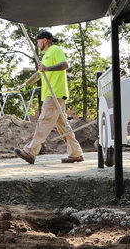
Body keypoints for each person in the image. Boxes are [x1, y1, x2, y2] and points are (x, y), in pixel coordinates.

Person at [15, 31, 84, 164]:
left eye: (38, 41)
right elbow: (40, 73)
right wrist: (26, 84)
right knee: (64, 127)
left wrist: (47, 68)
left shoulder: (55, 49)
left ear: (45, 40)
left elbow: (65, 65)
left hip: (54, 94)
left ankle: (30, 151)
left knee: (44, 121)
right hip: (56, 95)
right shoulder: (47, 55)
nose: (37, 43)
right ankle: (76, 153)